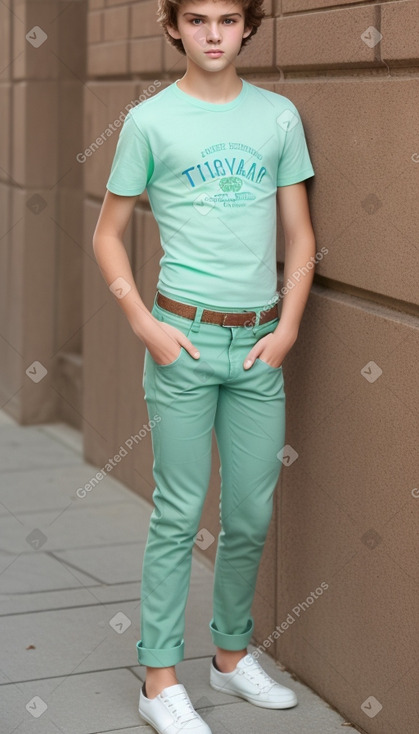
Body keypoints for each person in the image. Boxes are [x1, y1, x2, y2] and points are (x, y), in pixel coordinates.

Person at [92, 0, 316, 731]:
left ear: (247, 26)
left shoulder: (278, 117)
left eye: (227, 18)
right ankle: (158, 679)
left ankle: (228, 657)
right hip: (181, 341)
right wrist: (141, 322)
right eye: (196, 19)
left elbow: (300, 235)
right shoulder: (149, 121)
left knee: (250, 512)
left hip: (258, 347)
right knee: (179, 512)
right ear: (172, 27)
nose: (213, 33)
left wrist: (287, 328)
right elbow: (108, 234)